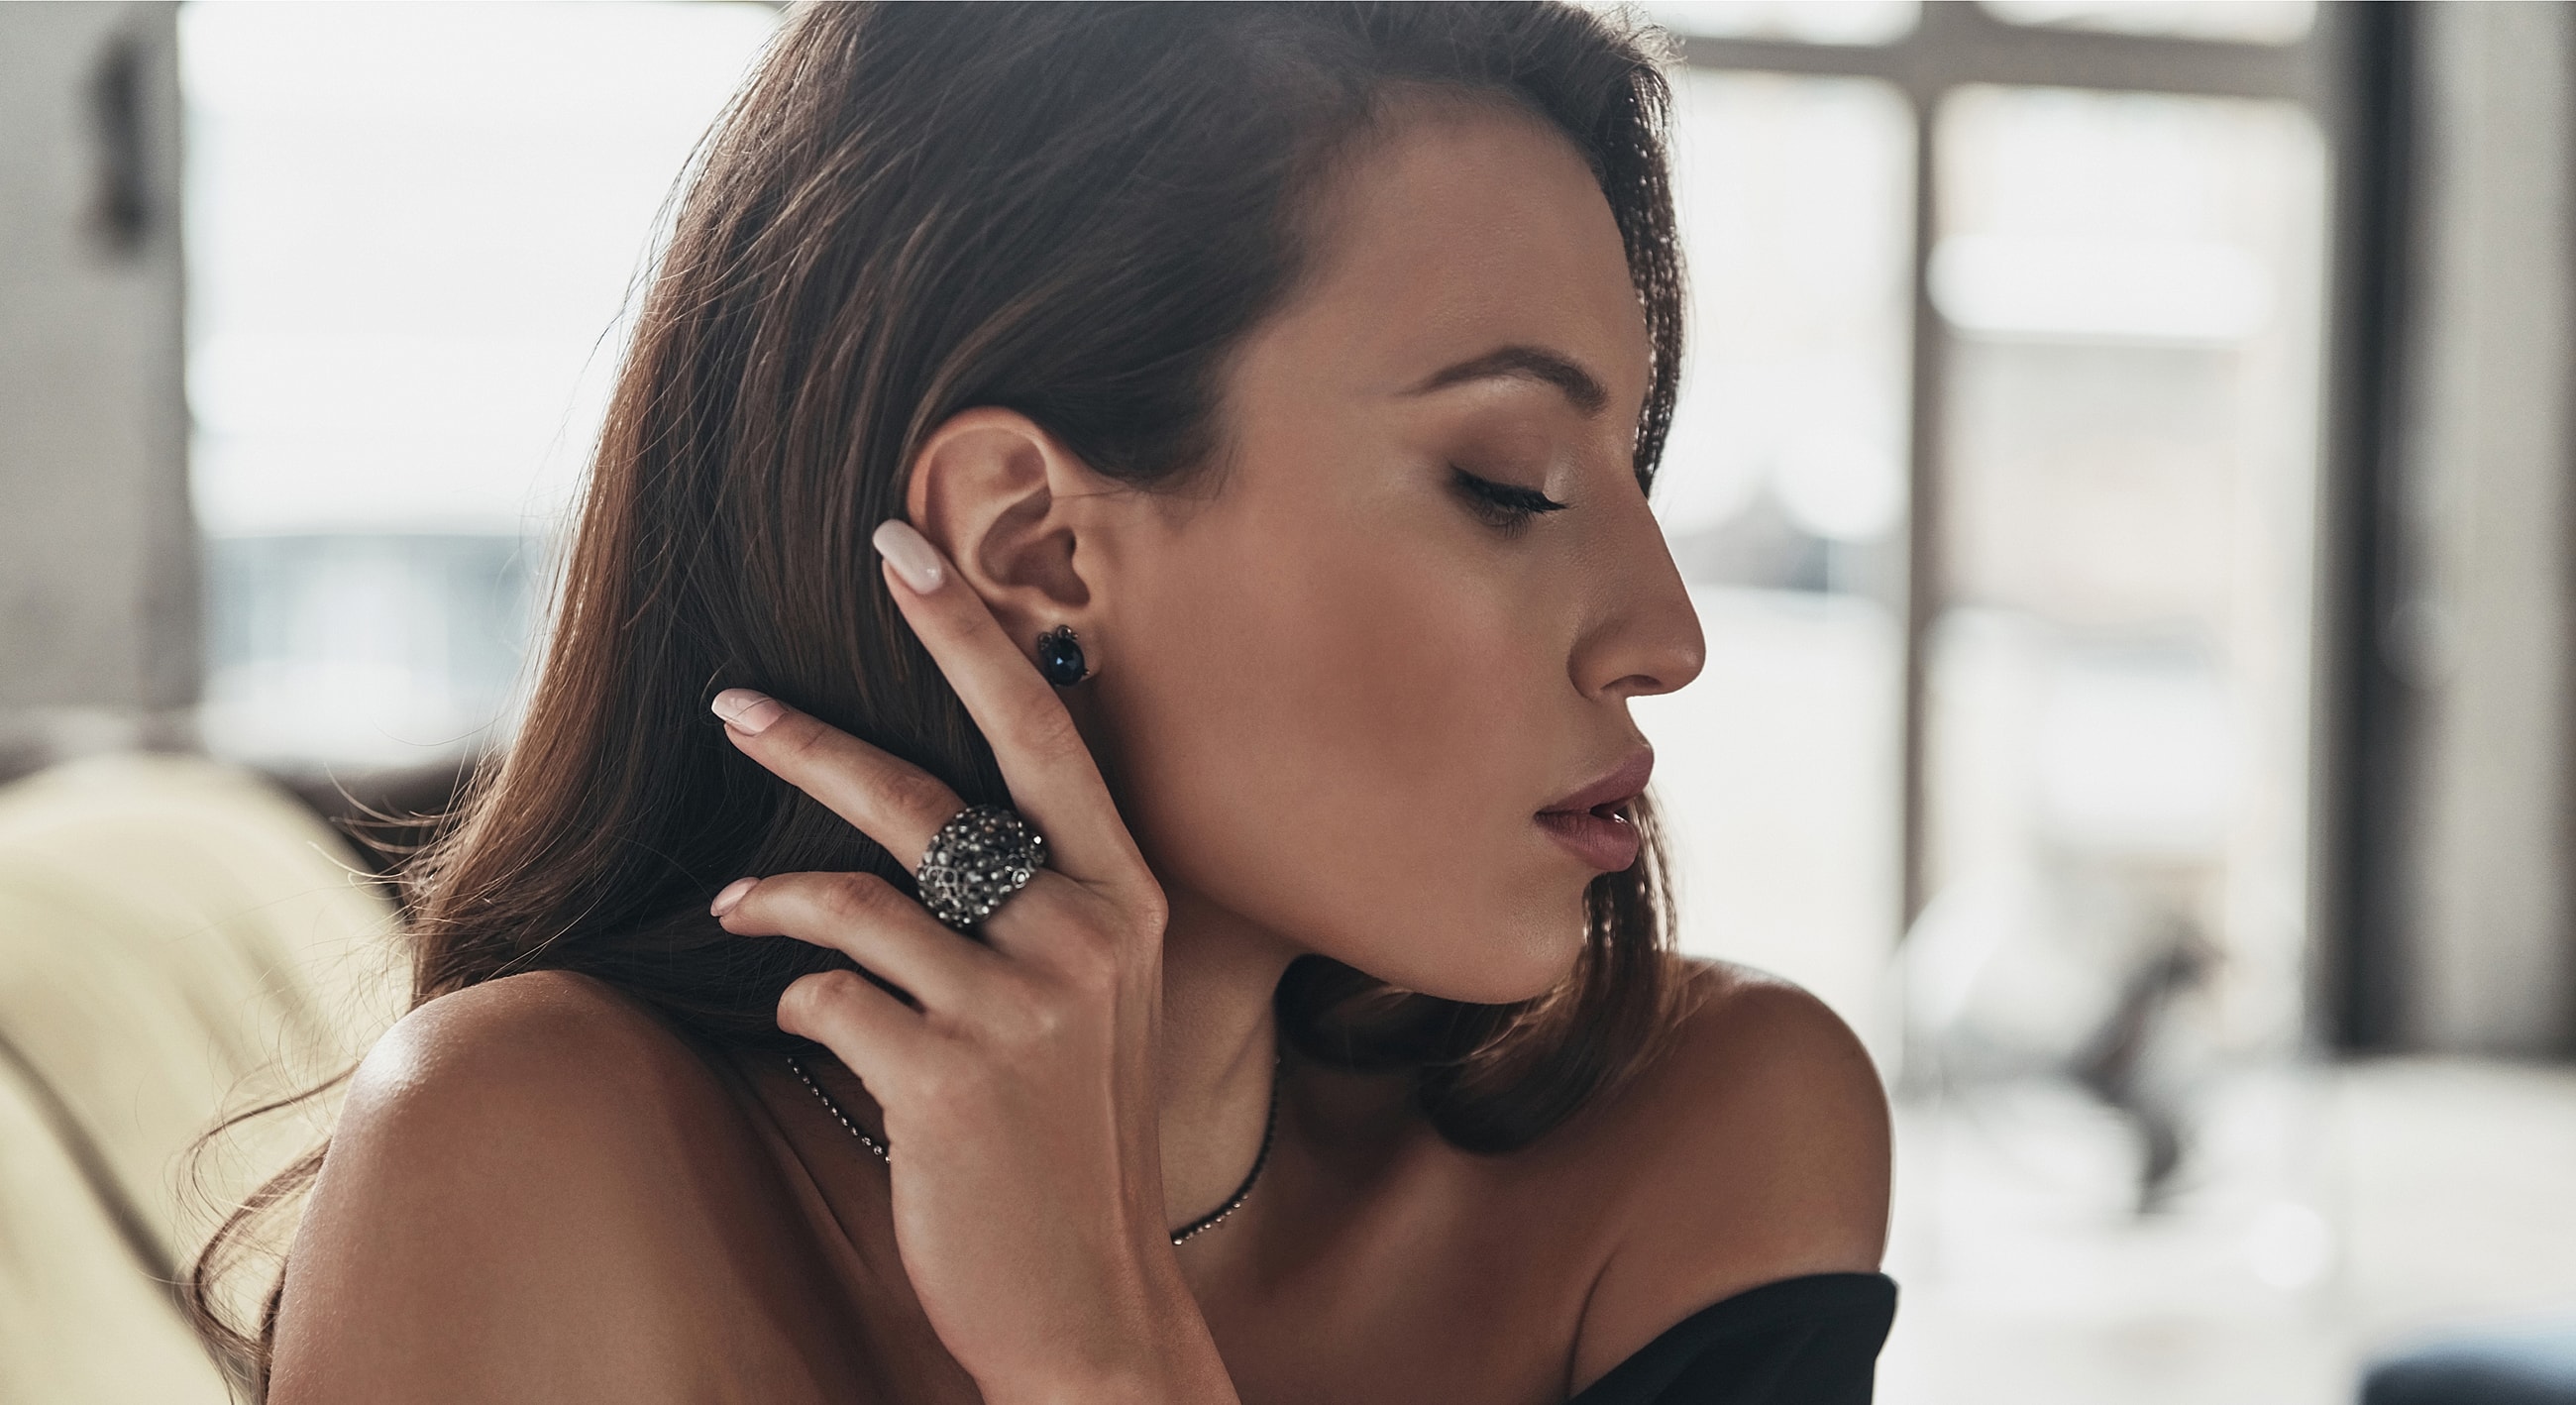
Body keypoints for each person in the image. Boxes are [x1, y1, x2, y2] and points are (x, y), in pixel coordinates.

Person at [190, 4, 1894, 1400]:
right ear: (1031, 544)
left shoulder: (1706, 1141)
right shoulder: (536, 1166)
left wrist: (1104, 1354)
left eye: (1637, 466)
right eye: (1512, 481)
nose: (1665, 633)